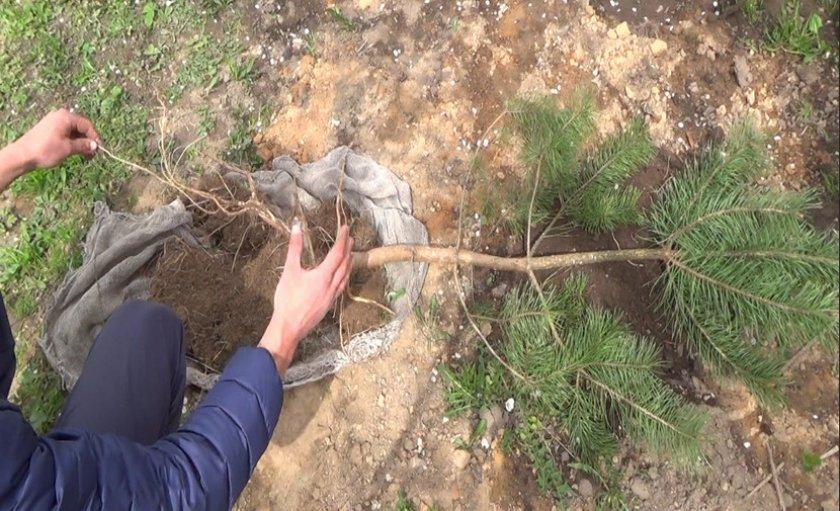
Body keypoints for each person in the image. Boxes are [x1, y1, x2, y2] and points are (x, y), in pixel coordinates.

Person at [0, 109, 354, 509]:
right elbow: (180, 493)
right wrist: (285, 332)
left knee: (144, 329)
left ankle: (140, 456)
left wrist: (18, 157)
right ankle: (148, 460)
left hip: (30, 471)